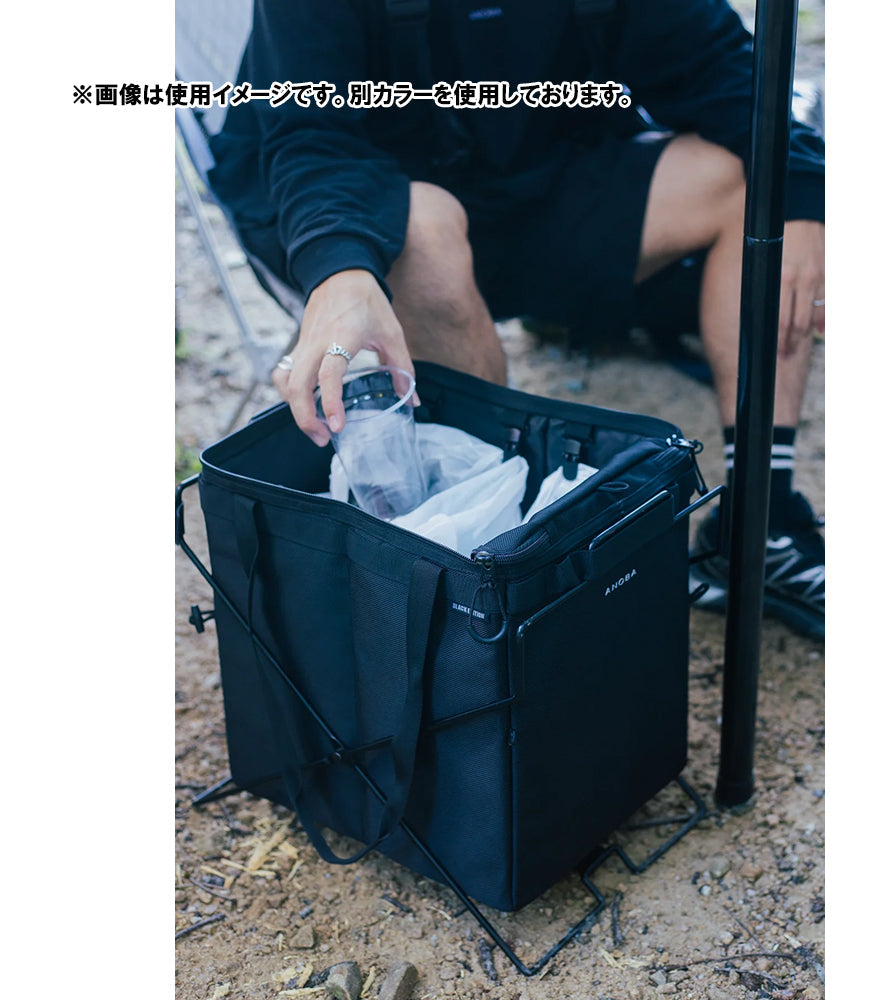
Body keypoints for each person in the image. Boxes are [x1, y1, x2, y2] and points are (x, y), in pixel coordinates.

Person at [206, 0, 826, 640]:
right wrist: (338, 265)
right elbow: (310, 136)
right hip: (362, 210)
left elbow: (716, 63)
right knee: (423, 231)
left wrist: (801, 192)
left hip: (534, 178)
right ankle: (500, 580)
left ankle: (762, 526)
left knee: (756, 182)